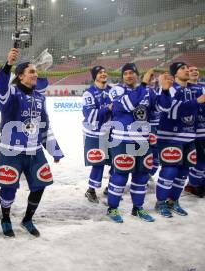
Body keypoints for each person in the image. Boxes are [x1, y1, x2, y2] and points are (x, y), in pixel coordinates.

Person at [0, 48, 64, 237]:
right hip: (11, 151)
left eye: (36, 71)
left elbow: (44, 126)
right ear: (21, 76)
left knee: (40, 185)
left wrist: (54, 150)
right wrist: (8, 65)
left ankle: (27, 219)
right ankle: (5, 218)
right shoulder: (12, 95)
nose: (36, 74)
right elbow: (0, 88)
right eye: (32, 71)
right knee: (8, 190)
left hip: (35, 151)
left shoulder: (40, 98)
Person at [106, 64, 172, 223]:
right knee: (120, 176)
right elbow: (130, 104)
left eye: (131, 73)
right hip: (123, 139)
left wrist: (164, 90)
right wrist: (143, 84)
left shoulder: (148, 91)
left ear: (136, 74)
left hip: (143, 140)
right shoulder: (116, 90)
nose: (128, 76)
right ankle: (112, 208)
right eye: (126, 73)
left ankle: (138, 208)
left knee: (141, 176)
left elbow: (164, 106)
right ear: (122, 77)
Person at [155, 62, 205, 217]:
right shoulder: (169, 88)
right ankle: (160, 203)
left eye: (187, 68)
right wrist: (198, 102)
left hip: (189, 137)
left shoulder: (192, 89)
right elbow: (172, 108)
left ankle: (173, 201)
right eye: (183, 68)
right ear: (175, 74)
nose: (187, 70)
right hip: (170, 137)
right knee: (170, 171)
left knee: (183, 173)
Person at [82, 66, 112, 203]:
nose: (103, 74)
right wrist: (108, 108)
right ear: (95, 76)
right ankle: (91, 190)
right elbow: (91, 116)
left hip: (112, 132)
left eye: (104, 71)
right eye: (100, 72)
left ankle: (111, 187)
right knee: (98, 163)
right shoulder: (89, 93)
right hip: (95, 133)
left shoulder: (112, 91)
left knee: (116, 161)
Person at [184, 65, 205, 197]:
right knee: (198, 161)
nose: (194, 72)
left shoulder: (203, 86)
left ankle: (199, 184)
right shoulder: (184, 88)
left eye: (196, 70)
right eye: (191, 70)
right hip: (192, 131)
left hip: (204, 129)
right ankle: (193, 184)